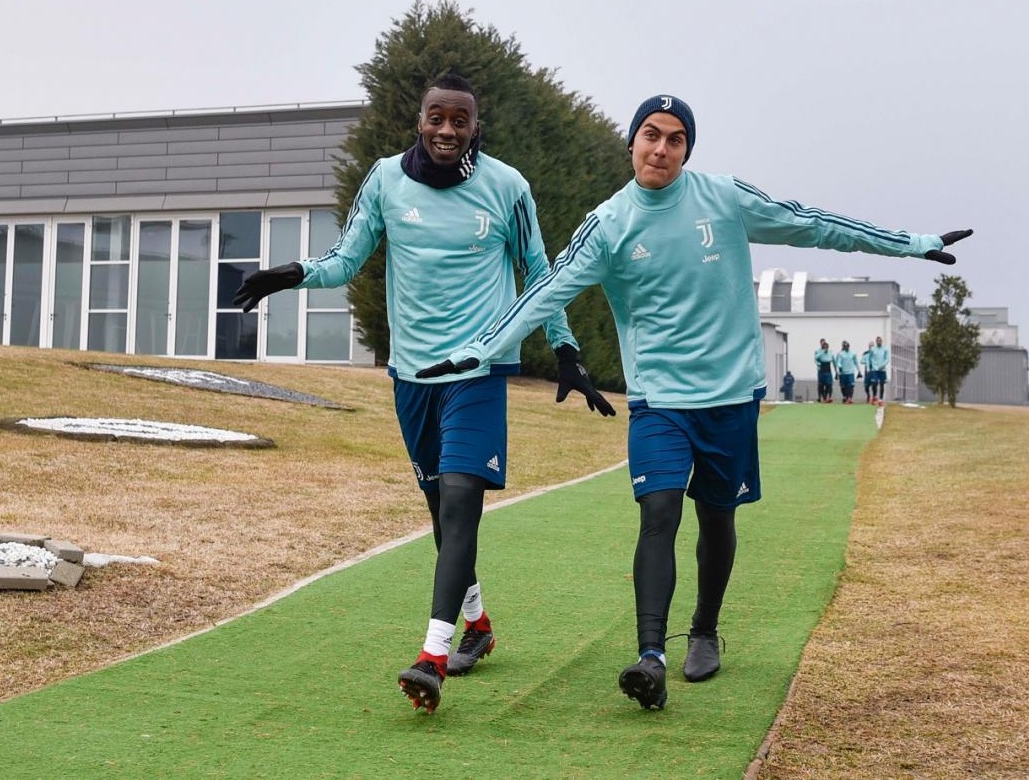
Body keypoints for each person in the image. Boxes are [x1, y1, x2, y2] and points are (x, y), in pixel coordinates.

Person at [416, 93, 971, 710]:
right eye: (650, 134)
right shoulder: (608, 225)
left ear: (687, 150)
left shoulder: (725, 199)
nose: (660, 148)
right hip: (658, 399)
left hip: (730, 396)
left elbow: (814, 224)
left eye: (674, 138)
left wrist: (911, 244)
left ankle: (704, 629)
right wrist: (481, 349)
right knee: (658, 513)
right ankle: (649, 656)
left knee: (717, 519)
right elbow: (546, 290)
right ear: (631, 143)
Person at [231, 74, 615, 715]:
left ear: (474, 125)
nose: (446, 129)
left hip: (478, 369)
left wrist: (567, 348)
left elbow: (540, 273)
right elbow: (345, 259)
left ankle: (432, 655)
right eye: (435, 117)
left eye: (458, 119)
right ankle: (479, 626)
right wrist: (289, 274)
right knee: (443, 513)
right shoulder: (384, 179)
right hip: (413, 378)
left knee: (462, 501)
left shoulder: (508, 187)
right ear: (419, 120)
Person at [867, 335, 891, 404]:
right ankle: (874, 396)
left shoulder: (885, 349)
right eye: (877, 341)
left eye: (880, 341)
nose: (879, 342)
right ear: (876, 342)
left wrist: (882, 365)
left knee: (882, 384)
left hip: (882, 370)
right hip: (875, 370)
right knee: (875, 383)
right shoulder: (872, 349)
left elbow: (887, 359)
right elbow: (869, 359)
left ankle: (880, 399)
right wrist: (869, 368)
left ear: (881, 341)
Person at [814, 339, 835, 403]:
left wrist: (836, 370)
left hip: (828, 369)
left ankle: (829, 397)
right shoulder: (818, 351)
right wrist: (818, 364)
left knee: (829, 384)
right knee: (821, 385)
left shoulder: (830, 352)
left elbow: (833, 360)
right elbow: (816, 358)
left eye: (826, 346)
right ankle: (822, 397)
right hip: (821, 369)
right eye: (823, 344)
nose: (825, 347)